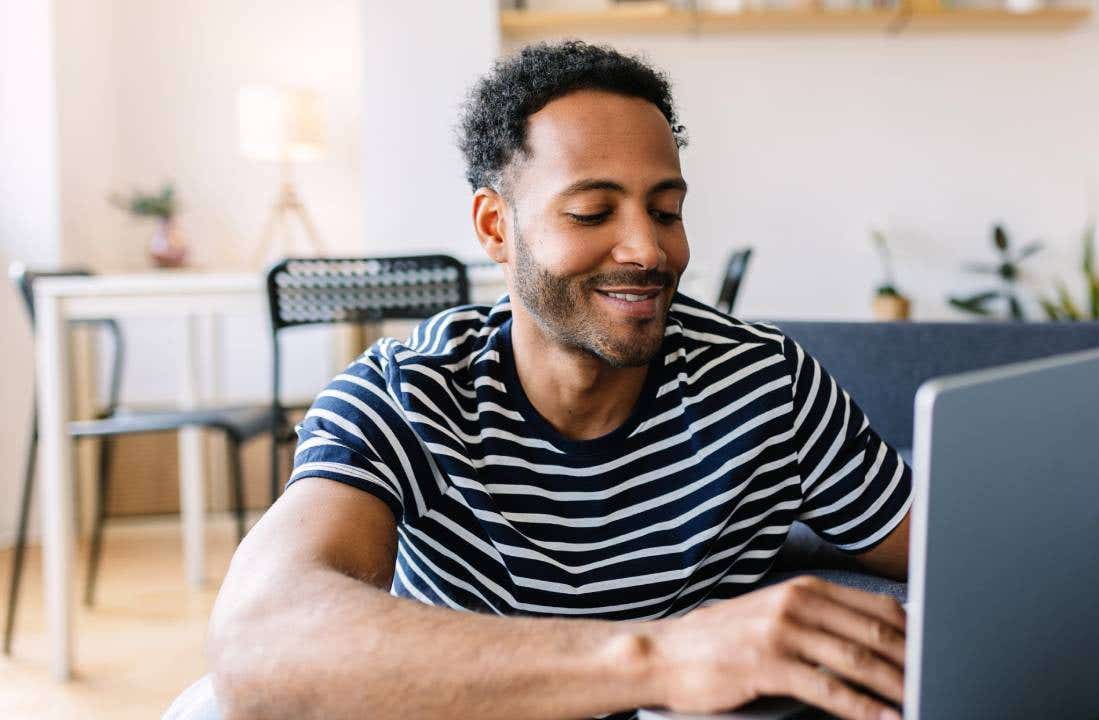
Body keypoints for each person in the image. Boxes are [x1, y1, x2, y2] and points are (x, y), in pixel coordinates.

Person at [205, 40, 913, 720]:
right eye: (591, 212)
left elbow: (950, 550)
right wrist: (659, 658)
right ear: (496, 227)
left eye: (667, 210)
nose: (647, 249)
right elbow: (256, 649)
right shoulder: (406, 398)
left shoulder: (767, 386)